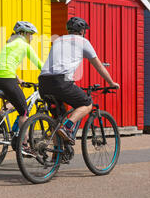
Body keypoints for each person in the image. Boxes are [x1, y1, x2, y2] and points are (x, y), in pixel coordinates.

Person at [38, 17, 120, 145]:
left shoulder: (58, 40)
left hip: (43, 82)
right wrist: (111, 83)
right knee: (87, 104)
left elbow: (60, 63)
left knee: (56, 118)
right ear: (82, 31)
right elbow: (98, 65)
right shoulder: (83, 42)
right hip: (61, 82)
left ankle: (57, 154)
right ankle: (67, 126)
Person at [0, 21, 43, 152]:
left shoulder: (8, 44)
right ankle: (24, 145)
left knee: (15, 100)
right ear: (24, 34)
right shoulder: (25, 46)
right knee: (24, 111)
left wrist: (18, 79)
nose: (32, 38)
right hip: (7, 79)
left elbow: (4, 63)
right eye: (31, 34)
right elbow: (40, 65)